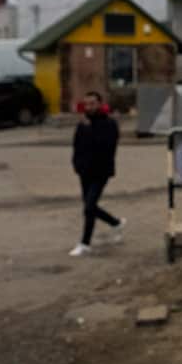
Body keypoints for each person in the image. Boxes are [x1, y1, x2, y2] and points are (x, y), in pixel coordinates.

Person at [69, 91, 124, 256]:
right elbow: (76, 146)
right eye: (86, 104)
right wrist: (76, 165)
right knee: (89, 207)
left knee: (89, 206)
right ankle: (115, 222)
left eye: (93, 103)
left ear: (100, 104)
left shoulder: (109, 124)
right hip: (84, 171)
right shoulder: (82, 124)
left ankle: (85, 243)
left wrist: (89, 129)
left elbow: (105, 146)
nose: (89, 107)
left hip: (101, 171)